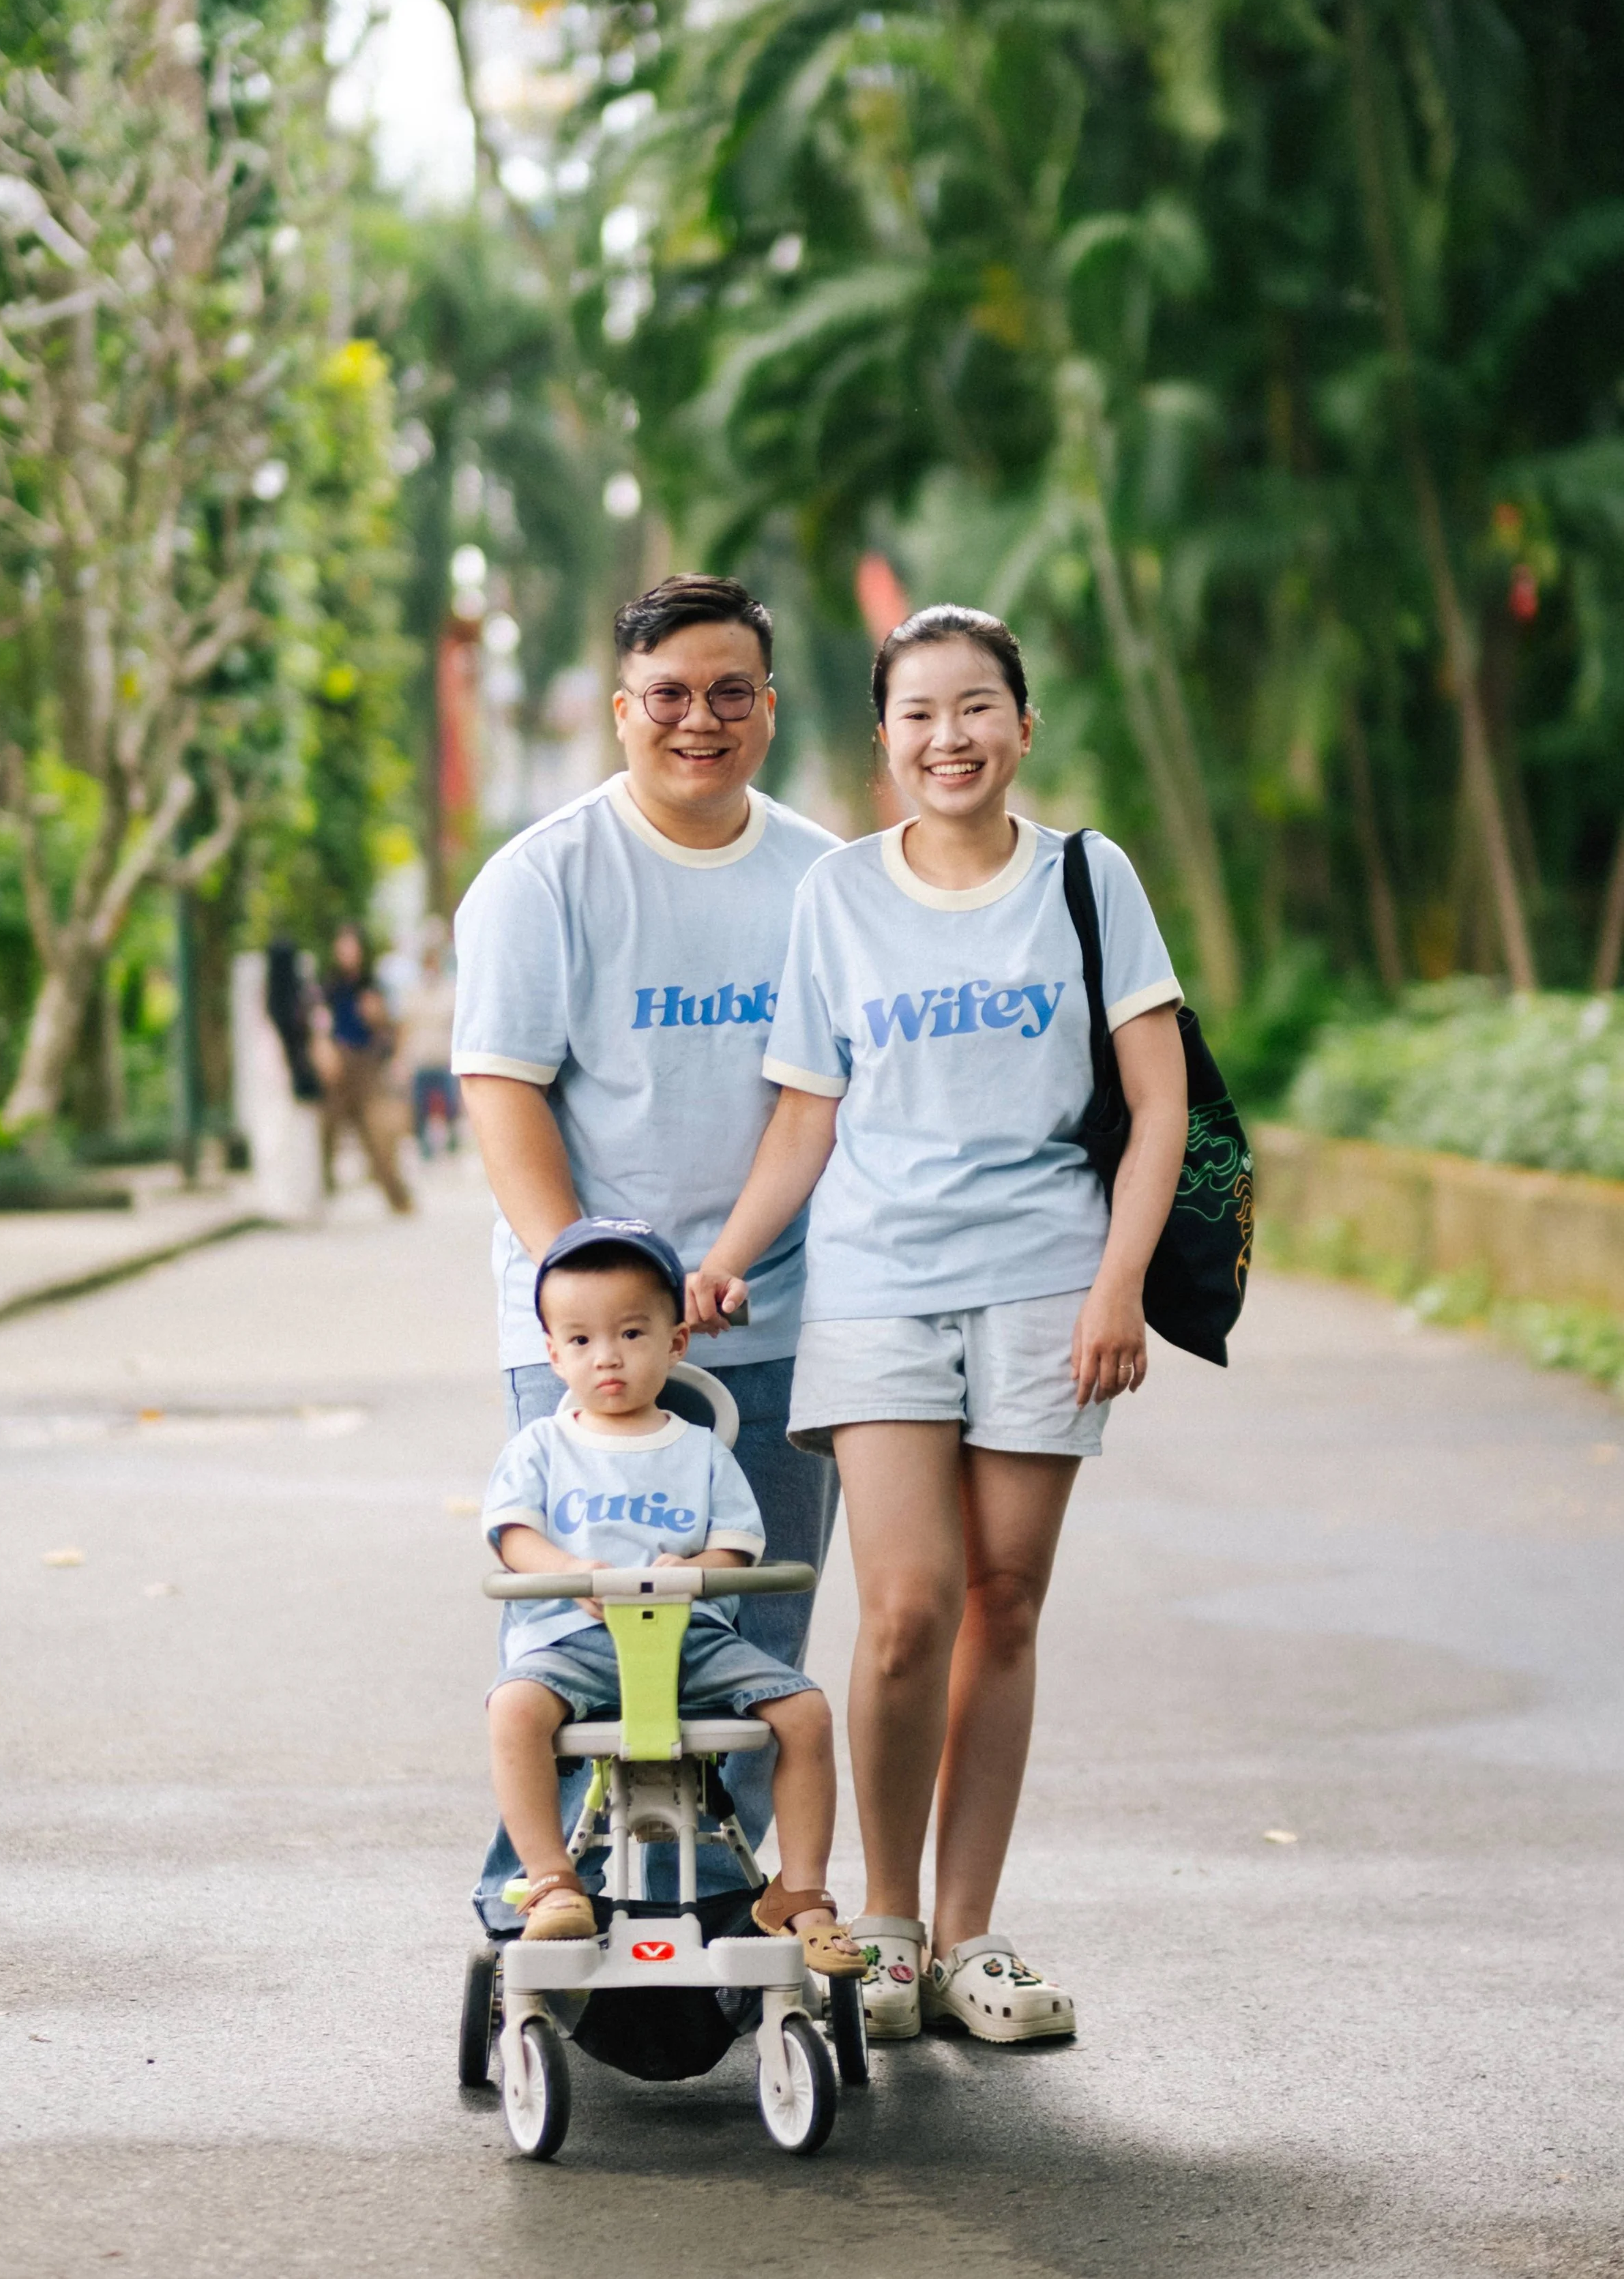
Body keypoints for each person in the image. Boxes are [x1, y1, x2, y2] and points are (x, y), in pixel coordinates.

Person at [691, 604, 1189, 2045]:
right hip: (877, 1285)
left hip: (1046, 1285)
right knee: (907, 1608)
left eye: (975, 709)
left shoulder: (1087, 879)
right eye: (918, 713)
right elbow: (808, 1111)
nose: (948, 738)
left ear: (1021, 728)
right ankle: (888, 1923)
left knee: (1005, 1601)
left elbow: (1157, 1101)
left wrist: (1117, 1285)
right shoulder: (838, 893)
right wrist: (725, 1259)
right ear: (885, 737)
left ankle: (971, 1935)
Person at [452, 573, 840, 1931]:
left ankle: (714, 1906)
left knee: (749, 1633)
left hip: (770, 1312)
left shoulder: (819, 879)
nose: (699, 720)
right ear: (622, 711)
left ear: (768, 709)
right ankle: (540, 1901)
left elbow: (812, 1100)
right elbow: (502, 1091)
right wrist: (595, 1285)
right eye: (667, 694)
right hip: (586, 1334)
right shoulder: (542, 877)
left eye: (730, 692)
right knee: (569, 1633)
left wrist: (724, 1264)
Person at [484, 1216, 864, 1977]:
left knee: (805, 1712)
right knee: (514, 1708)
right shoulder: (541, 1448)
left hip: (693, 1638)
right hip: (577, 1640)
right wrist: (570, 1568)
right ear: (553, 1354)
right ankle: (552, 1882)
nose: (608, 1357)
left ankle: (801, 1892)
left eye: (631, 1334)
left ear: (675, 1342)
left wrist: (695, 1568)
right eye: (582, 1340)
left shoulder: (701, 1450)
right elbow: (512, 1536)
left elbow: (738, 1546)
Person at [318, 924, 413, 1215]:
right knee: (326, 1131)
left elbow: (395, 1025)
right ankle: (319, 1194)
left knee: (379, 1136)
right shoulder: (330, 986)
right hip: (339, 1063)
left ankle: (399, 1199)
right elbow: (320, 1023)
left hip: (368, 1063)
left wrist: (378, 1017)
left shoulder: (373, 985)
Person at [398, 916, 460, 1157]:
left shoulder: (450, 990)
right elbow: (405, 1026)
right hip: (421, 1057)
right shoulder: (413, 992)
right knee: (420, 1107)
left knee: (450, 1103)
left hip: (444, 1057)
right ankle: (424, 1147)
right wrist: (401, 1059)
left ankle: (452, 1141)